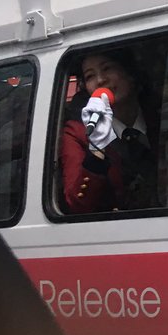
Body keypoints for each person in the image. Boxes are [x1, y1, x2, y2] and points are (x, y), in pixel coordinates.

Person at [59, 49, 157, 214]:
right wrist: (97, 149)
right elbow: (78, 203)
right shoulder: (77, 132)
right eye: (90, 76)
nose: (100, 80)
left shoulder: (160, 113)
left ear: (129, 74)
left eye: (107, 68)